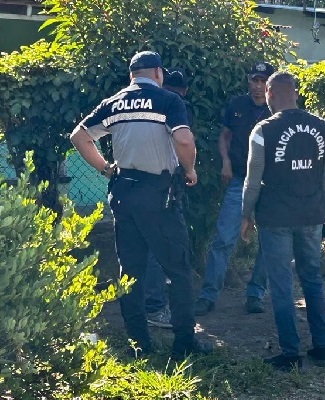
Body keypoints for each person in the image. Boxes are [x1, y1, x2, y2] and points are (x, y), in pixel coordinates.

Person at [70, 51, 211, 360]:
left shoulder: (114, 103)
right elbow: (184, 141)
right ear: (159, 73)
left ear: (131, 75)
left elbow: (79, 137)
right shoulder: (168, 101)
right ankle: (184, 341)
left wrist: (106, 168)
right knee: (178, 269)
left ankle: (138, 342)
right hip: (158, 195)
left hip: (122, 192)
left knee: (130, 270)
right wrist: (189, 170)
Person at [240, 72, 325, 371]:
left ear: (269, 94)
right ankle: (321, 348)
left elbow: (252, 181)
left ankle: (290, 353)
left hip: (275, 217)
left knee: (281, 285)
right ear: (295, 92)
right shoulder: (323, 128)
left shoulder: (262, 130)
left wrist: (245, 215)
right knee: (312, 281)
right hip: (311, 216)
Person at [194, 62, 274, 316]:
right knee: (223, 239)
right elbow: (225, 136)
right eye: (254, 80)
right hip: (238, 179)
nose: (258, 86)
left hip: (270, 185)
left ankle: (255, 294)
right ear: (248, 81)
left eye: (263, 81)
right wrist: (225, 162)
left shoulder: (277, 110)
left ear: (270, 84)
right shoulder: (237, 104)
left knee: (269, 241)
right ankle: (208, 295)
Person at [144, 67, 192, 329]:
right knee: (164, 247)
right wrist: (190, 170)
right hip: (167, 186)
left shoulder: (148, 106)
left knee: (141, 246)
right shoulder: (177, 107)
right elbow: (183, 143)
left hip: (137, 183)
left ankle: (146, 303)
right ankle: (156, 305)